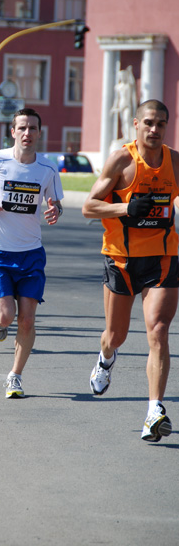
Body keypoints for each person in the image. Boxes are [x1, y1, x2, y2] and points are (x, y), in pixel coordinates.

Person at [82, 99, 179, 443]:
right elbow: (89, 207)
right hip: (121, 259)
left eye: (161, 124)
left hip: (163, 257)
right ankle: (106, 358)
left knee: (159, 330)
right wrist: (125, 207)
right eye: (149, 123)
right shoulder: (122, 160)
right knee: (116, 335)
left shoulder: (174, 161)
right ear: (136, 124)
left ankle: (155, 410)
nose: (155, 130)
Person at [0, 108, 63, 398]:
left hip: (31, 252)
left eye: (33, 128)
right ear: (13, 132)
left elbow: (54, 200)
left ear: (39, 133)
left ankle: (15, 376)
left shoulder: (47, 168)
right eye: (22, 128)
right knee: (6, 317)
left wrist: (55, 209)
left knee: (28, 320)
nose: (27, 133)